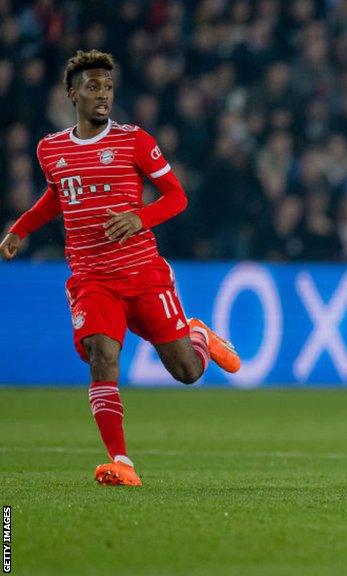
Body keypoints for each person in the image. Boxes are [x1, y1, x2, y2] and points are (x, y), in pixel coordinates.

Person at [0, 50, 241, 486]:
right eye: (93, 87)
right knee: (102, 355)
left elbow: (176, 196)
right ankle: (121, 462)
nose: (103, 94)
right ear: (72, 93)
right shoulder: (50, 149)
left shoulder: (135, 141)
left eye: (108, 87)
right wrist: (20, 229)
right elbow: (58, 195)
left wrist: (139, 218)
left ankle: (199, 334)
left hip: (142, 272)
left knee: (187, 372)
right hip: (92, 277)